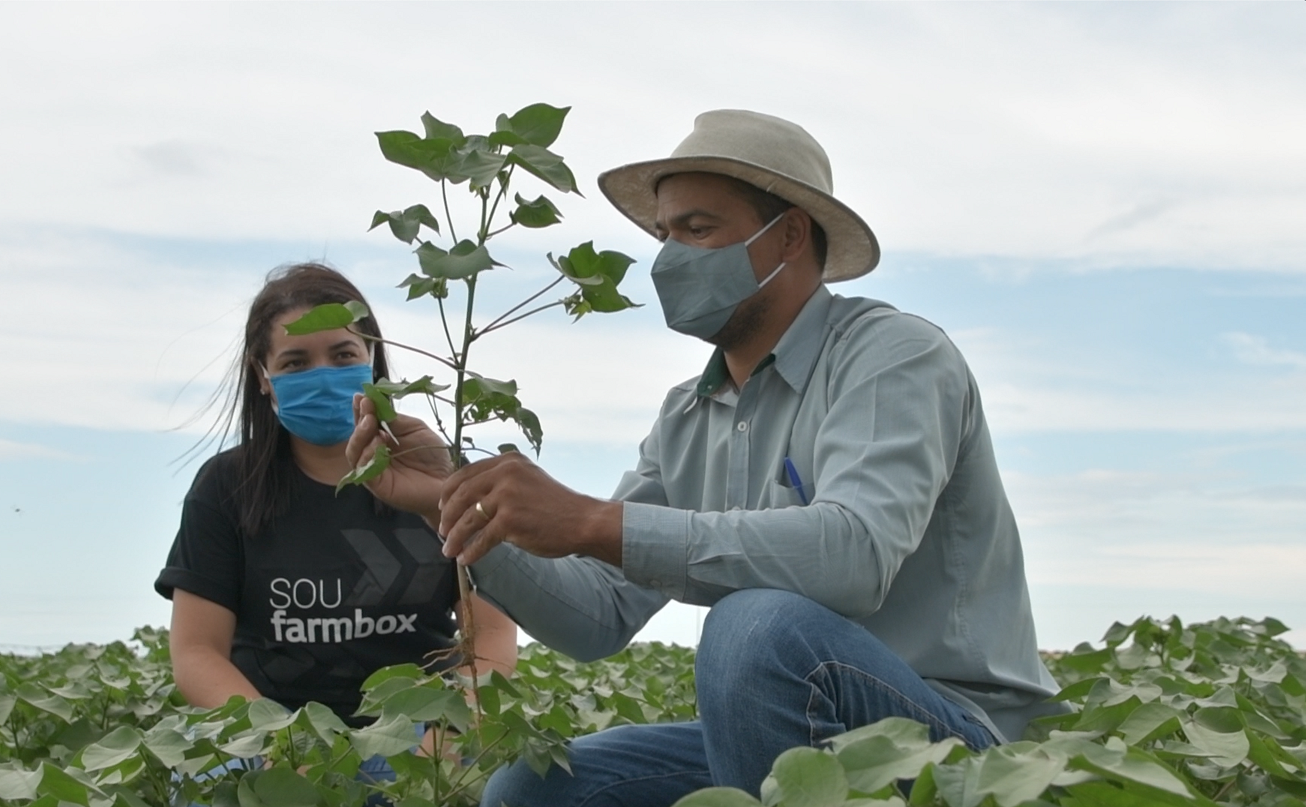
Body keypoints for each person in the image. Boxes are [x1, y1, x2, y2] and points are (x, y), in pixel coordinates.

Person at [349, 110, 1065, 806]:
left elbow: (855, 554)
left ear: (787, 235)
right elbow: (595, 619)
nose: (669, 256)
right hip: (791, 725)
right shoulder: (688, 414)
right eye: (665, 233)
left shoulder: (892, 355)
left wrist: (596, 520)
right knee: (537, 787)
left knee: (753, 625)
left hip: (957, 740)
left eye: (697, 229)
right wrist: (455, 499)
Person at [155, 262, 517, 745]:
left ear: (373, 360)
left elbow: (493, 632)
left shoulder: (436, 471)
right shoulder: (226, 487)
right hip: (271, 732)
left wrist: (452, 729)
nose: (323, 376)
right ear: (262, 376)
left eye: (343, 355)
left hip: (425, 733)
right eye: (296, 362)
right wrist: (280, 745)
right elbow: (198, 653)